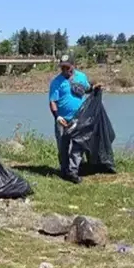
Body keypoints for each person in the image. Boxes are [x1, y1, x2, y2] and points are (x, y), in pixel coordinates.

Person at [48, 53, 98, 184]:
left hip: (79, 119)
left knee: (78, 145)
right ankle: (64, 170)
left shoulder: (81, 77)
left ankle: (73, 171)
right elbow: (52, 101)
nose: (64, 70)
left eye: (67, 67)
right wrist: (57, 116)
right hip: (62, 120)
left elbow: (87, 89)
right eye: (62, 67)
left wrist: (94, 88)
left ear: (73, 66)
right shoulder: (56, 82)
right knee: (63, 147)